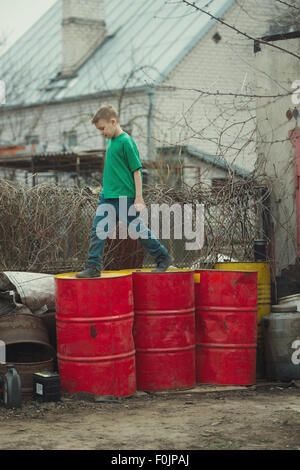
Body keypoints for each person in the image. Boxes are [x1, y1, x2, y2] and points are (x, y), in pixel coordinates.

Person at [76, 104, 172, 278]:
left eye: (103, 128)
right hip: (108, 197)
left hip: (124, 199)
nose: (101, 132)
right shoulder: (110, 142)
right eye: (99, 130)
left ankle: (162, 257)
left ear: (113, 122)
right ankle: (93, 267)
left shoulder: (126, 142)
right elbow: (115, 170)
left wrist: (139, 198)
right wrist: (104, 188)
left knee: (139, 231)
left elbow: (136, 170)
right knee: (98, 231)